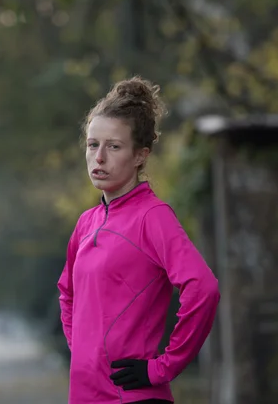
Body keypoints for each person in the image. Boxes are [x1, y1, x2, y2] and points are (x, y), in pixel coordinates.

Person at [57, 76, 220, 404]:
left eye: (113, 146)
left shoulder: (153, 216)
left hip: (133, 397)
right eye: (93, 144)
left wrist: (163, 367)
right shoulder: (86, 223)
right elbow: (67, 294)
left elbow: (204, 289)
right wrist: (86, 354)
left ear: (140, 156)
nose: (99, 157)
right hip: (85, 395)